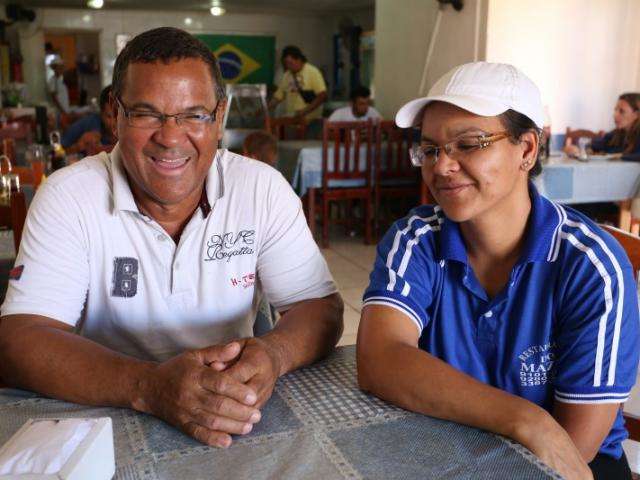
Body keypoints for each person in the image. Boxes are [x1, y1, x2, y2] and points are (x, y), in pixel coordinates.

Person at [0, 27, 343, 449]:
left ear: (220, 117)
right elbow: (20, 339)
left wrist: (275, 354)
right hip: (106, 416)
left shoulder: (261, 189)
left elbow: (319, 307)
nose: (170, 137)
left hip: (236, 416)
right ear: (116, 114)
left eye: (193, 115)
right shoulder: (69, 196)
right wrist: (149, 386)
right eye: (147, 114)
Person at [357, 62, 639, 480]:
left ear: (527, 150)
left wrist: (536, 430)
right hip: (449, 446)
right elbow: (379, 359)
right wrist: (527, 419)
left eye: (469, 144)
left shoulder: (589, 263)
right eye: (430, 149)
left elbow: (571, 451)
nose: (442, 167)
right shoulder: (416, 239)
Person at [565, 93, 640, 160]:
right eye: (615, 110)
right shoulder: (615, 134)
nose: (615, 115)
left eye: (621, 111)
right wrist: (579, 150)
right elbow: (595, 146)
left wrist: (620, 156)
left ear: (636, 115)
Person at [269, 46, 327, 125]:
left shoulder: (312, 72)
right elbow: (278, 96)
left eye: (291, 63)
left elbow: (322, 96)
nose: (288, 66)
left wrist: (304, 111)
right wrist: (265, 109)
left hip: (310, 121)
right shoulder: (287, 75)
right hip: (292, 120)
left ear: (299, 59)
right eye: (286, 63)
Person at [62, 85, 116, 155]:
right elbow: (58, 151)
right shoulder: (88, 123)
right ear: (101, 114)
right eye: (109, 116)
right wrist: (77, 147)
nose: (114, 122)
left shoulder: (130, 129)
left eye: (118, 115)